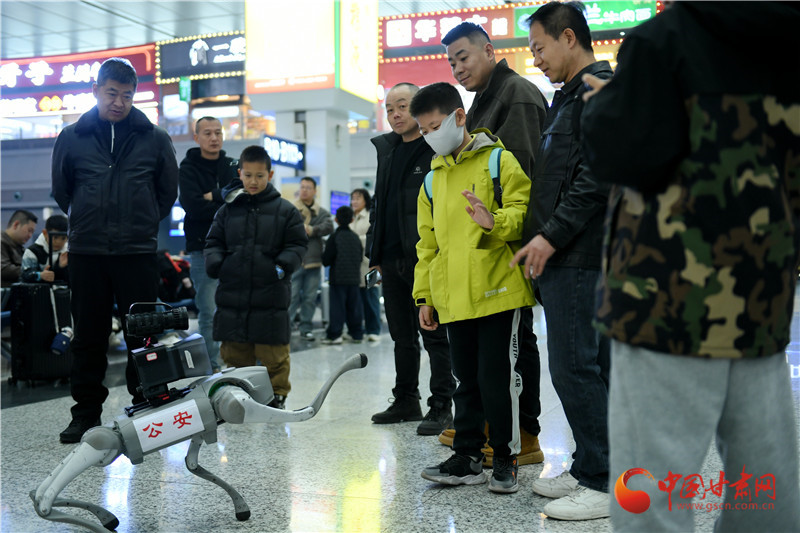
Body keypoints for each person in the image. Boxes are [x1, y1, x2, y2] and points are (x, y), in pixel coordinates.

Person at [580, 2, 800, 531]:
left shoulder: (665, 39)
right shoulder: (789, 38)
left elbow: (626, 154)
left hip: (667, 295)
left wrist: (605, 107)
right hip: (761, 293)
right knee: (762, 480)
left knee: (650, 486)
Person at [509, 2, 613, 520]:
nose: (536, 59)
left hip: (581, 253)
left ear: (568, 37)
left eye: (540, 48)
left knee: (575, 367)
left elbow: (596, 178)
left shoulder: (599, 93)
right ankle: (590, 463)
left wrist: (549, 237)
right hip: (565, 254)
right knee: (583, 367)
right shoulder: (566, 99)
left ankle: (603, 480)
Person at [412, 82, 534, 494]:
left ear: (459, 117)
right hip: (454, 297)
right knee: (465, 380)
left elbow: (524, 213)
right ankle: (467, 457)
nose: (429, 136)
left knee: (498, 379)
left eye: (435, 126)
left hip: (498, 290)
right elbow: (427, 245)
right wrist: (425, 296)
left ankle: (505, 456)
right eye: (423, 130)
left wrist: (493, 221)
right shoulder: (432, 181)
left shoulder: (499, 160)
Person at [52, 57, 178, 443]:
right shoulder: (71, 137)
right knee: (88, 336)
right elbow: (62, 191)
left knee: (143, 333)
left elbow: (166, 194)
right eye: (111, 93)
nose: (119, 102)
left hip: (136, 252)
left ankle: (146, 403)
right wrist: (88, 219)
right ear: (96, 91)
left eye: (127, 95)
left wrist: (140, 222)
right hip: (87, 252)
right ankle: (86, 413)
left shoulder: (154, 138)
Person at [440, 21, 548, 467]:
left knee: (515, 343)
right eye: (451, 63)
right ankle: (489, 424)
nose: (458, 69)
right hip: (485, 248)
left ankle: (525, 434)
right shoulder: (486, 99)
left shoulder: (515, 94)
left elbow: (518, 181)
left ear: (488, 50)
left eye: (463, 57)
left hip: (510, 247)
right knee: (487, 354)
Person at [367, 83, 455, 436]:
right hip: (391, 259)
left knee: (434, 334)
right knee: (401, 336)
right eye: (389, 109)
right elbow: (379, 207)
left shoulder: (434, 147)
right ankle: (406, 399)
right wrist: (374, 254)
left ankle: (442, 404)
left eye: (402, 106)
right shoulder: (386, 151)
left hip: (424, 258)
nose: (395, 114)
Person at [205, 145, 308, 410]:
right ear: (240, 173)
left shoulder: (285, 211)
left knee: (274, 353)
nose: (253, 181)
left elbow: (297, 245)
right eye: (248, 175)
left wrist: (281, 267)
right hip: (233, 294)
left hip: (270, 294)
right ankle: (240, 397)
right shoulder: (227, 210)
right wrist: (218, 264)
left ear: (270, 175)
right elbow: (213, 242)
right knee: (235, 353)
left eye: (260, 176)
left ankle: (277, 396)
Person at [178, 116, 238, 373]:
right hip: (202, 247)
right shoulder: (187, 168)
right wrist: (225, 198)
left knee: (237, 307)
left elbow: (241, 197)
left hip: (234, 245)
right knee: (208, 309)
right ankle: (211, 365)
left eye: (218, 133)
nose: (214, 138)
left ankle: (237, 360)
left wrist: (213, 195)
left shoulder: (232, 165)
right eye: (208, 133)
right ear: (197, 137)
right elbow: (192, 206)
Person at [288, 177, 333, 341]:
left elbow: (329, 226)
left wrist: (312, 230)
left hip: (313, 261)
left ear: (314, 191)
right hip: (295, 260)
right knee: (292, 297)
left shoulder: (321, 212)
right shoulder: (291, 209)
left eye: (308, 187)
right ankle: (286, 328)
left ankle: (306, 328)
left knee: (310, 298)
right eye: (302, 187)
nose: (304, 190)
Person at [321, 205, 364, 345]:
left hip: (338, 279)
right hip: (354, 279)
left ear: (336, 220)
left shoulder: (334, 237)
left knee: (337, 308)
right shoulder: (355, 238)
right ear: (352, 220)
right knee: (354, 308)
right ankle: (356, 334)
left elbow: (326, 260)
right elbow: (360, 257)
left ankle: (335, 335)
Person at [350, 188, 381, 342]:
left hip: (370, 264)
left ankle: (374, 330)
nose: (354, 201)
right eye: (353, 198)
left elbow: (372, 237)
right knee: (357, 301)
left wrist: (353, 240)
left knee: (371, 298)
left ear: (365, 200)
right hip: (354, 266)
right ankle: (358, 330)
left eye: (358, 198)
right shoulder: (351, 217)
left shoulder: (369, 216)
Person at [21, 214, 69, 284]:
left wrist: (61, 267)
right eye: (55, 237)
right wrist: (39, 275)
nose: (59, 242)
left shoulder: (67, 252)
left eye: (63, 238)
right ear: (45, 233)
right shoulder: (32, 252)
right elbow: (25, 275)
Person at [1, 210, 37, 285]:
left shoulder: (19, 247)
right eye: (29, 230)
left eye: (32, 232)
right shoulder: (2, 243)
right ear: (16, 225)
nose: (30, 235)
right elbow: (3, 269)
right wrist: (32, 273)